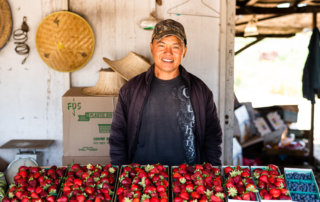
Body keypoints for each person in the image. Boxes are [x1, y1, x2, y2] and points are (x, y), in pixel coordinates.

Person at [109, 19, 222, 166]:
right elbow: (118, 137)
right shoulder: (131, 90)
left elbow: (212, 138)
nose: (168, 53)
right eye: (161, 45)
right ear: (151, 48)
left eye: (175, 47)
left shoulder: (200, 91)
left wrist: (212, 174)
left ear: (184, 51)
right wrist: (120, 173)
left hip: (188, 181)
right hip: (142, 179)